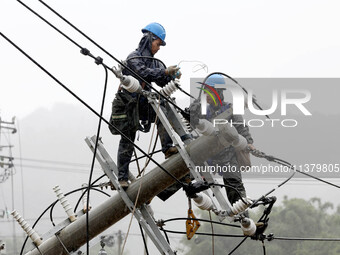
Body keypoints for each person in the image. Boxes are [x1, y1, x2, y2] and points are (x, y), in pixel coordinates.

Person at [116, 22, 181, 188]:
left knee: (163, 108)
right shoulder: (134, 58)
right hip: (129, 104)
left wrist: (171, 77)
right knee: (127, 140)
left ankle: (167, 148)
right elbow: (143, 73)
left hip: (145, 103)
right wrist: (164, 72)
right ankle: (122, 177)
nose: (158, 48)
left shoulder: (156, 63)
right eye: (157, 44)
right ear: (148, 39)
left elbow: (160, 80)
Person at [200, 74, 255, 204]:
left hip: (228, 156)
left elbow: (241, 128)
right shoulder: (204, 112)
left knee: (235, 187)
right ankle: (151, 195)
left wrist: (249, 143)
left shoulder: (231, 110)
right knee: (183, 172)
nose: (206, 96)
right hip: (209, 155)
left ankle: (243, 218)